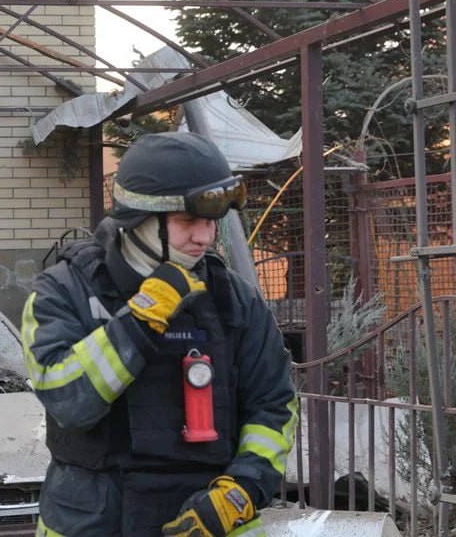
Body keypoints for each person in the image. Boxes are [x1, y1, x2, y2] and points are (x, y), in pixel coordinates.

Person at [22, 132, 298, 536]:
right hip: (93, 522)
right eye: (188, 221)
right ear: (139, 219)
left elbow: (274, 405)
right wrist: (139, 320)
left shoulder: (234, 299)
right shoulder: (65, 291)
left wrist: (240, 491)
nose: (205, 237)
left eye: (211, 222)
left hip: (206, 522)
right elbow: (67, 401)